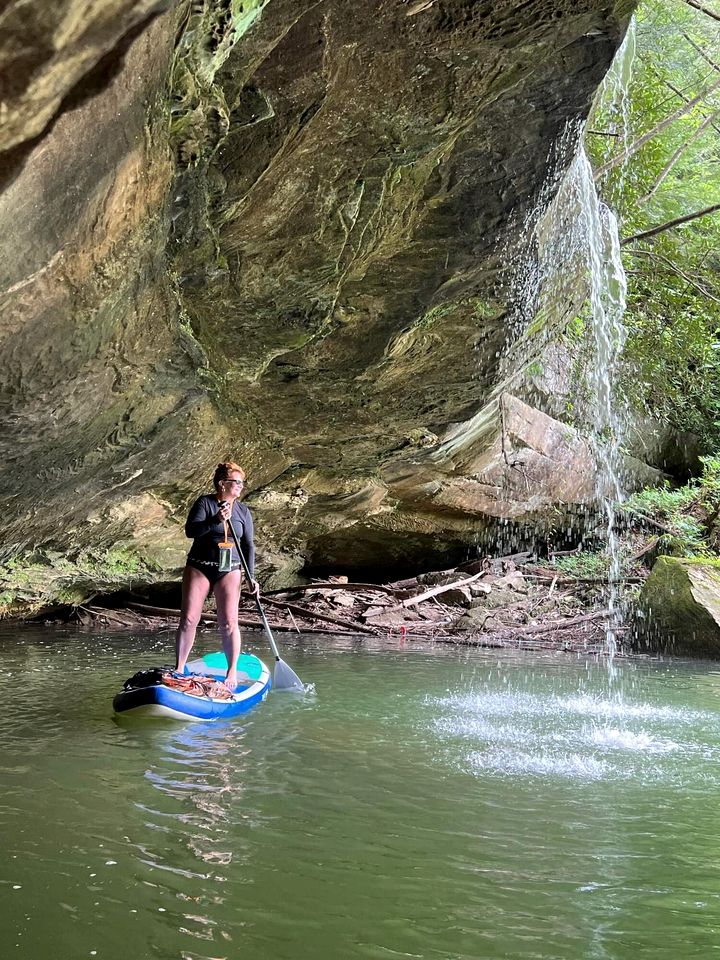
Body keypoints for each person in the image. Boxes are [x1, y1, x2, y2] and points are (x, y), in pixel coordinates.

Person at [175, 461, 260, 691]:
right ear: (223, 484)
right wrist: (216, 520)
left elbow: (248, 545)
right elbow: (190, 531)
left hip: (229, 569)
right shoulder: (205, 503)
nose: (241, 486)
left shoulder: (243, 511)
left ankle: (231, 671)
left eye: (242, 482)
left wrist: (251, 577)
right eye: (237, 482)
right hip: (200, 566)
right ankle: (180, 668)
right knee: (190, 619)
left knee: (229, 622)